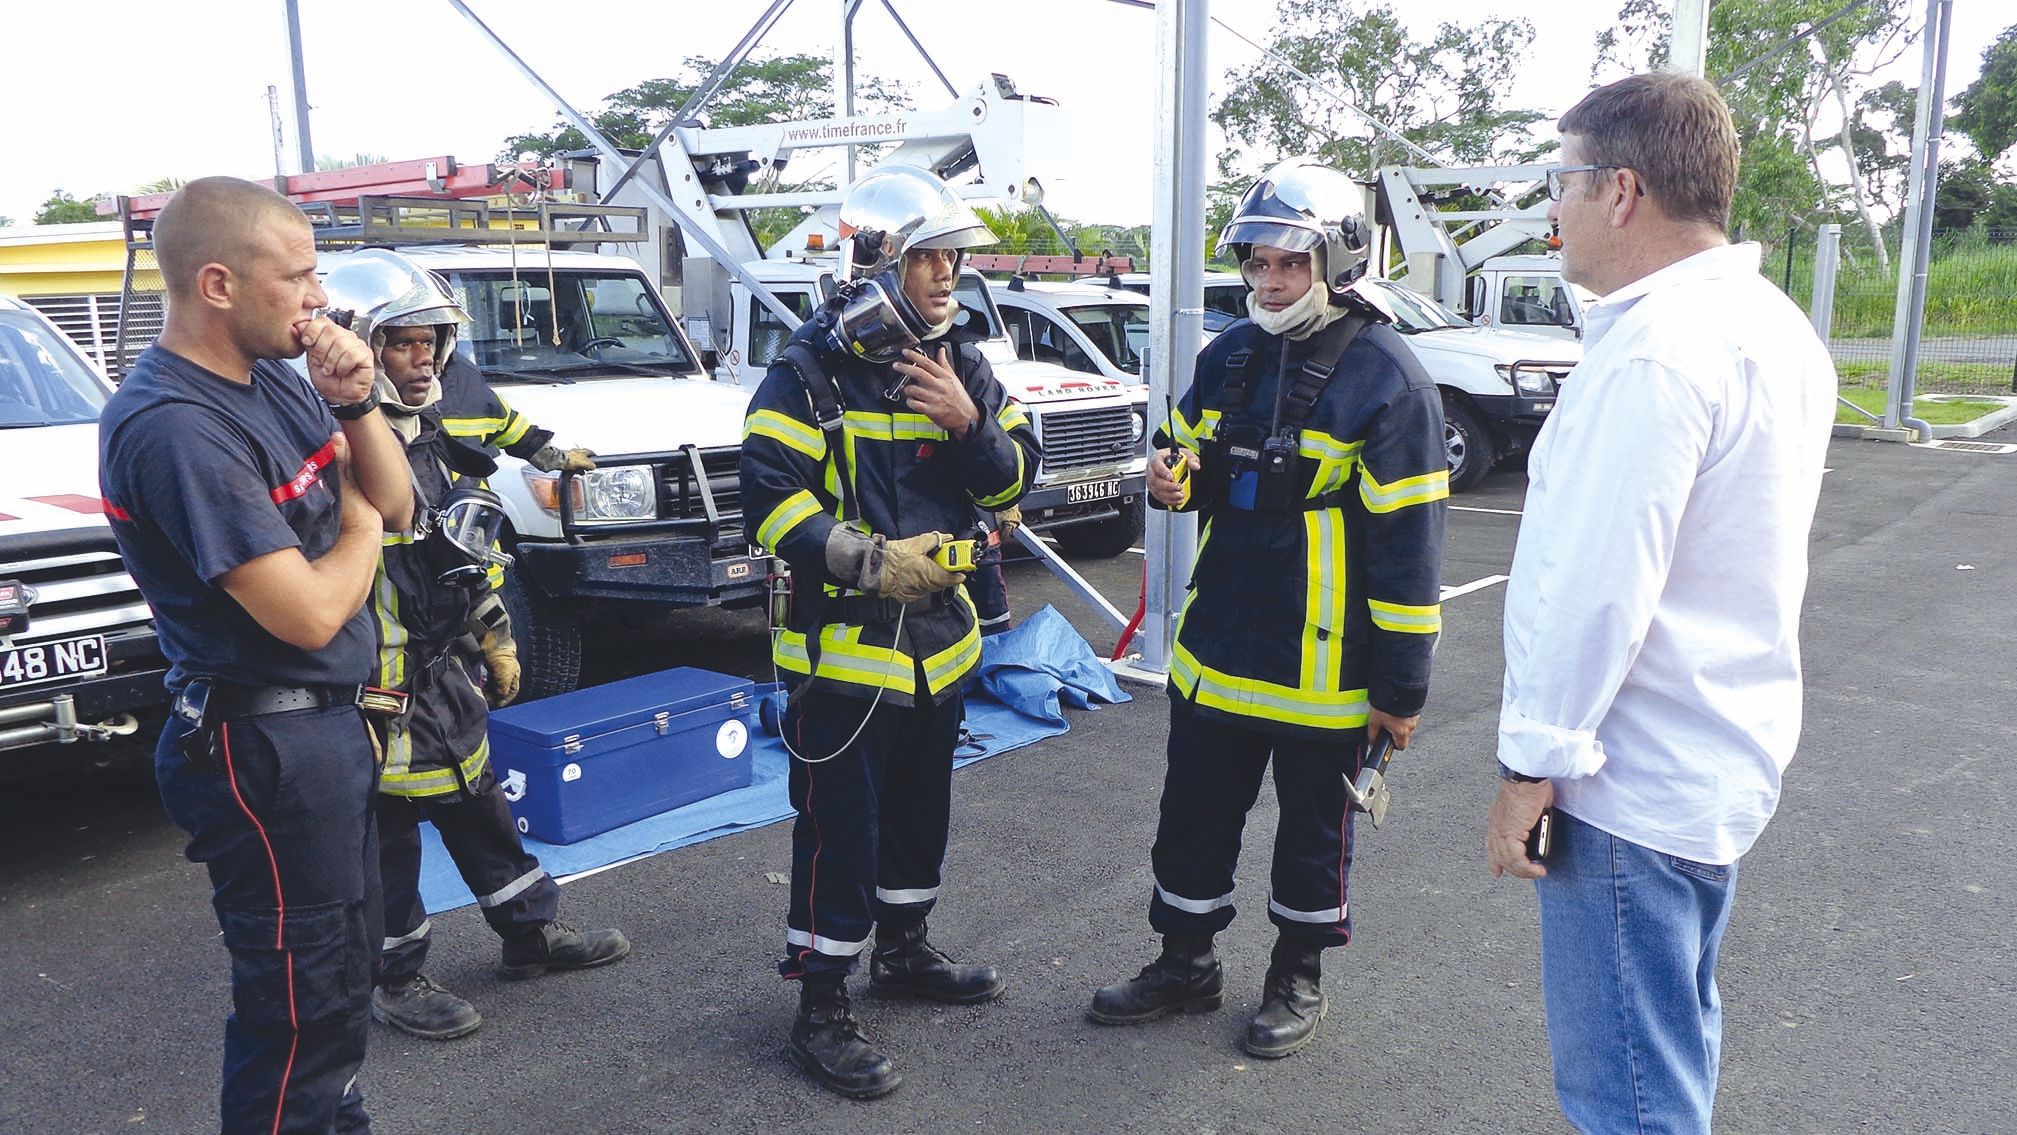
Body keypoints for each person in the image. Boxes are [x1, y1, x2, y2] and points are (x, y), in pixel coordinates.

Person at [1483, 73, 1835, 1134]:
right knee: (1671, 1043)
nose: (1553, 209)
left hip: (1625, 782)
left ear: (1621, 190)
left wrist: (1526, 769)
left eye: (1562, 182)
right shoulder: (1768, 326)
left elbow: (1596, 589)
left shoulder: (1654, 353)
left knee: (1627, 1094)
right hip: (1712, 761)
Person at [1088, 158, 1448, 1060]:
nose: (1268, 281)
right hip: (1216, 646)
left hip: (1324, 664)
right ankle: (1184, 961)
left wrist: (1400, 691)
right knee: (1192, 815)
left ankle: (1296, 975)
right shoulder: (1230, 354)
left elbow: (1411, 554)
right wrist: (1168, 479)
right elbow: (1176, 451)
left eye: (1288, 263)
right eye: (1256, 264)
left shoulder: (1389, 379)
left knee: (1312, 833)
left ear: (1339, 260)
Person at [98, 177, 416, 1134]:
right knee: (298, 1007)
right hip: (261, 747)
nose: (318, 298)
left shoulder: (278, 374)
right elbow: (312, 613)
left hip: (324, 732)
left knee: (346, 973)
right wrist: (358, 523)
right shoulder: (175, 426)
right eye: (299, 276)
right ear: (219, 284)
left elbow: (398, 504)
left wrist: (357, 401)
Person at [739, 164, 1039, 1099]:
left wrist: (967, 427)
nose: (947, 275)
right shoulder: (806, 369)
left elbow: (1012, 482)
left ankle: (902, 950)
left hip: (938, 650)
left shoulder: (965, 364)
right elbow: (767, 502)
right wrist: (865, 561)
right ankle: (820, 1001)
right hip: (843, 655)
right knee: (842, 830)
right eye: (927, 258)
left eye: (953, 257)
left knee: (918, 815)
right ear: (875, 262)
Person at [316, 251, 630, 1043]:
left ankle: (530, 932)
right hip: (372, 686)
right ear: (359, 343)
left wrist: (495, 637)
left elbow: (454, 550)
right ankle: (395, 972)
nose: (424, 359)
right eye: (403, 342)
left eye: (433, 341)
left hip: (441, 670)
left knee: (478, 800)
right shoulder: (332, 448)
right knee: (384, 835)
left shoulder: (424, 435)